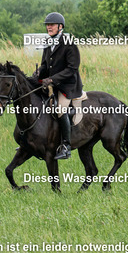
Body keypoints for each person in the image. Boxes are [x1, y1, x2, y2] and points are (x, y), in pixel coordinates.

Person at [33, 12, 83, 160]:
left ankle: (66, 146)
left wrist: (52, 79)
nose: (49, 27)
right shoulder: (48, 43)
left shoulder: (69, 44)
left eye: (52, 25)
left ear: (60, 27)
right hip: (53, 85)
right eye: (47, 25)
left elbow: (72, 68)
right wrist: (38, 73)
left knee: (60, 110)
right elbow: (44, 65)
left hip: (68, 86)